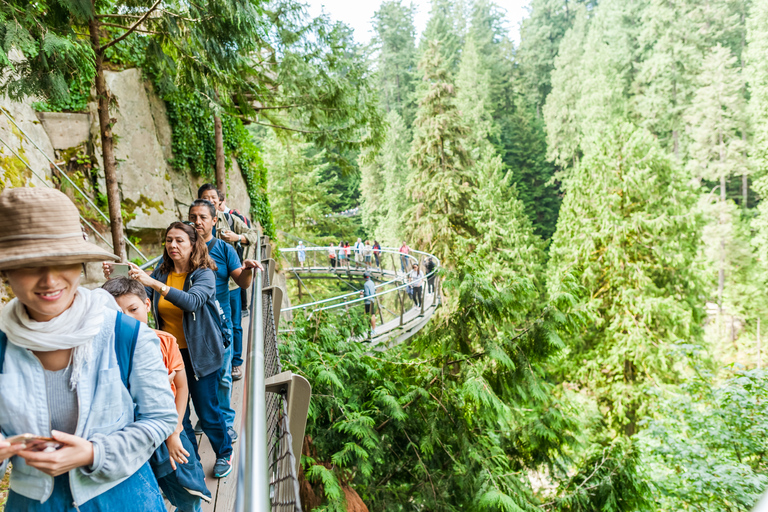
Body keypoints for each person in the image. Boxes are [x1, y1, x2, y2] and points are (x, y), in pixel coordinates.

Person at [0, 187, 177, 511]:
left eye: (62, 261)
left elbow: (160, 418)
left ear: (80, 263)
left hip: (124, 499)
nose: (49, 279)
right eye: (29, 265)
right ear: (6, 271)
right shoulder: (2, 345)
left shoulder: (125, 335)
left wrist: (95, 453)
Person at [109, 221, 234, 478]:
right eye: (168, 240)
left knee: (207, 410)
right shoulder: (161, 272)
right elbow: (135, 297)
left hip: (201, 354)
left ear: (192, 245)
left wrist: (154, 284)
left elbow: (192, 302)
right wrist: (113, 278)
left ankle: (224, 452)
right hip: (169, 352)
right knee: (179, 414)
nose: (173, 245)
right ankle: (194, 462)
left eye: (179, 240)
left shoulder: (203, 274)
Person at [102, 278, 211, 512]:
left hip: (169, 428)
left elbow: (181, 387)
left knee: (188, 490)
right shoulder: (104, 352)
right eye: (119, 313)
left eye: (133, 309)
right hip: (130, 436)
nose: (128, 319)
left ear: (147, 304)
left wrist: (174, 430)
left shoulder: (165, 342)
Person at [188, 200, 262, 445]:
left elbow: (243, 283)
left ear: (214, 221)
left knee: (221, 376)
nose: (198, 222)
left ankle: (225, 424)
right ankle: (208, 417)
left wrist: (248, 269)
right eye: (193, 217)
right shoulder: (183, 248)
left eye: (203, 217)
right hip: (191, 327)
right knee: (198, 376)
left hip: (219, 324)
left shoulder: (224, 249)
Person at [198, 184, 258, 383]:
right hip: (204, 286)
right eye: (206, 197)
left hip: (230, 281)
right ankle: (214, 365)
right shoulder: (193, 227)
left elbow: (253, 235)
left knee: (233, 323)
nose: (210, 200)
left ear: (219, 200)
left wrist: (237, 237)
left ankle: (235, 362)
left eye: (213, 197)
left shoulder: (230, 220)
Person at [361, 271, 376, 335]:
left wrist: (362, 293)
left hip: (368, 302)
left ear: (364, 278)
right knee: (373, 314)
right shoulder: (372, 282)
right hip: (372, 301)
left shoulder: (365, 284)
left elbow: (367, 294)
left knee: (369, 316)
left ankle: (372, 331)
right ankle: (374, 329)